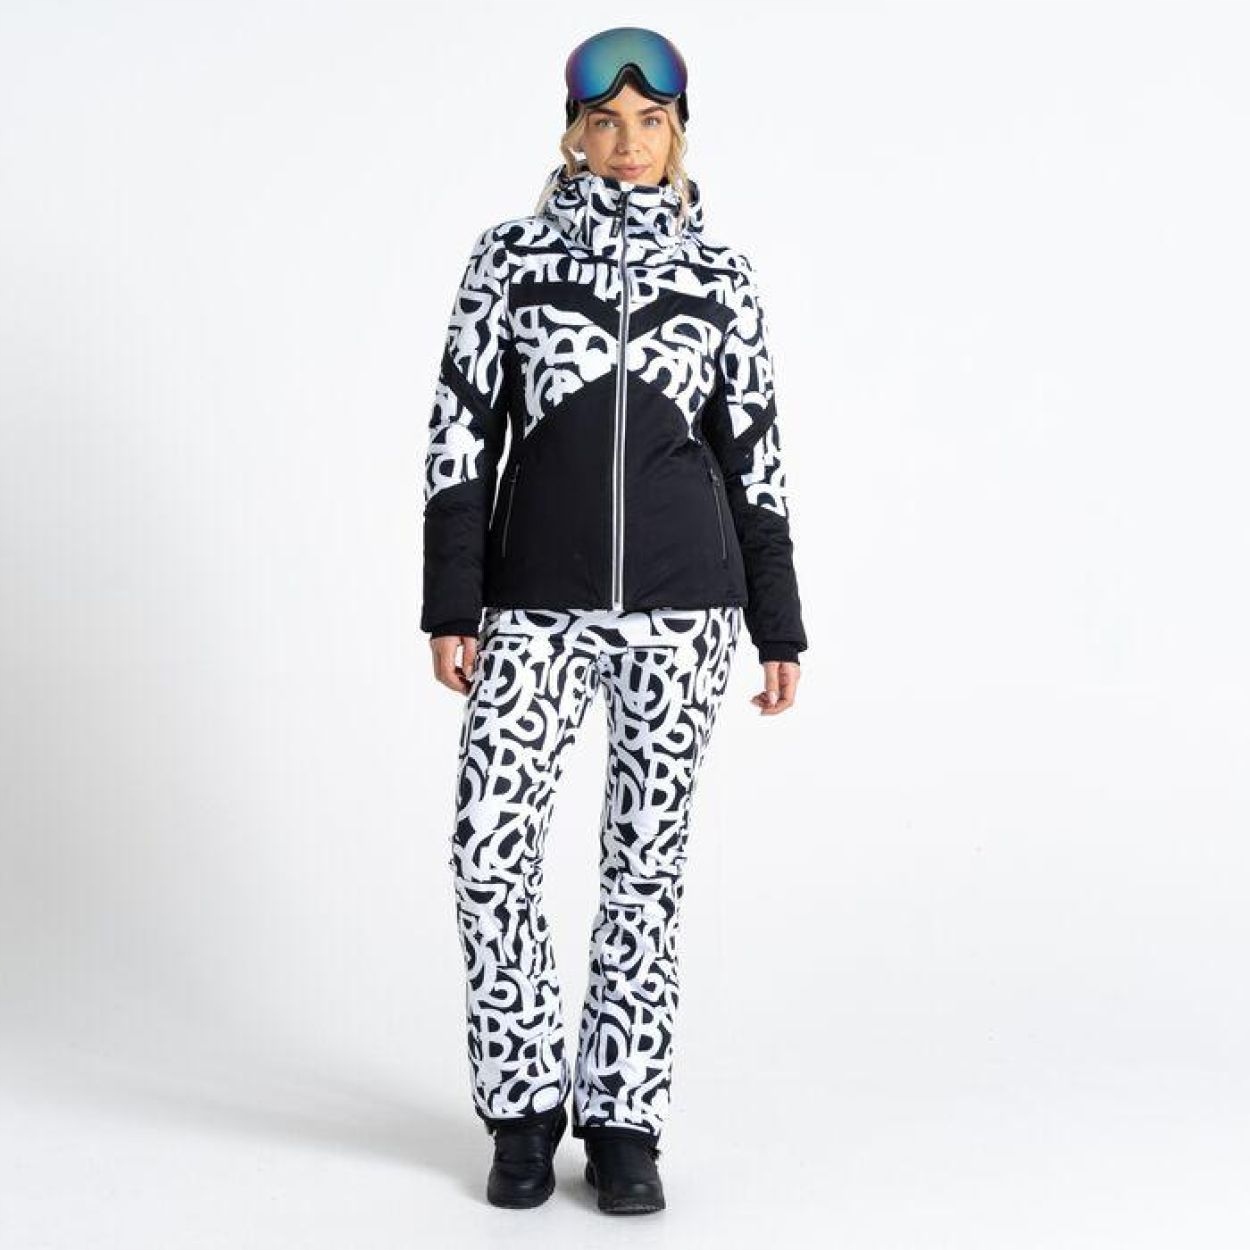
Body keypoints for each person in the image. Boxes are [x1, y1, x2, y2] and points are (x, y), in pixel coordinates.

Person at [420, 26, 808, 1214]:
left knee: (645, 867)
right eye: (605, 122)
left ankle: (625, 1118)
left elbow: (753, 454)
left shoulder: (721, 274)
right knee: (489, 849)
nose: (627, 143)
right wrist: (452, 599)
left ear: (677, 131)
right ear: (573, 133)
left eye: (649, 122)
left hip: (685, 614)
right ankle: (523, 1105)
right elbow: (458, 434)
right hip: (533, 606)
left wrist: (777, 620)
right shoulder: (509, 259)